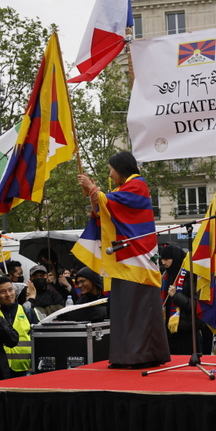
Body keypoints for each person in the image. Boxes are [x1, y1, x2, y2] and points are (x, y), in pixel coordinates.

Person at [77, 150, 170, 369]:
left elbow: (113, 203)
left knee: (138, 308)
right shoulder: (120, 189)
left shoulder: (138, 184)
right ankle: (124, 355)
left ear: (120, 168)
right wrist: (93, 194)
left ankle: (144, 355)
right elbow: (104, 210)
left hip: (138, 256)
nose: (109, 173)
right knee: (122, 309)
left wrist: (94, 189)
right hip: (123, 258)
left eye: (111, 169)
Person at [0, 276, 33, 376]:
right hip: (1, 368)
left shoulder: (28, 312)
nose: (8, 294)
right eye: (2, 291)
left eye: (10, 290)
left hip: (25, 368)